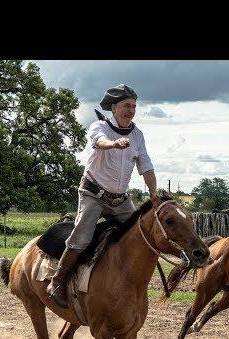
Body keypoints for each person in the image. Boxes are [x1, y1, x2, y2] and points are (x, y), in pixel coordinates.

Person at [46, 83, 160, 308]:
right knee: (82, 236)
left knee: (140, 234)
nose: (131, 110)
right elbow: (99, 143)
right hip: (93, 194)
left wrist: (154, 194)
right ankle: (57, 282)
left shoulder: (137, 135)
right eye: (126, 106)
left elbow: (146, 166)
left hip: (120, 199)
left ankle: (126, 283)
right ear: (114, 108)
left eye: (134, 106)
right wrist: (114, 144)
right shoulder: (99, 126)